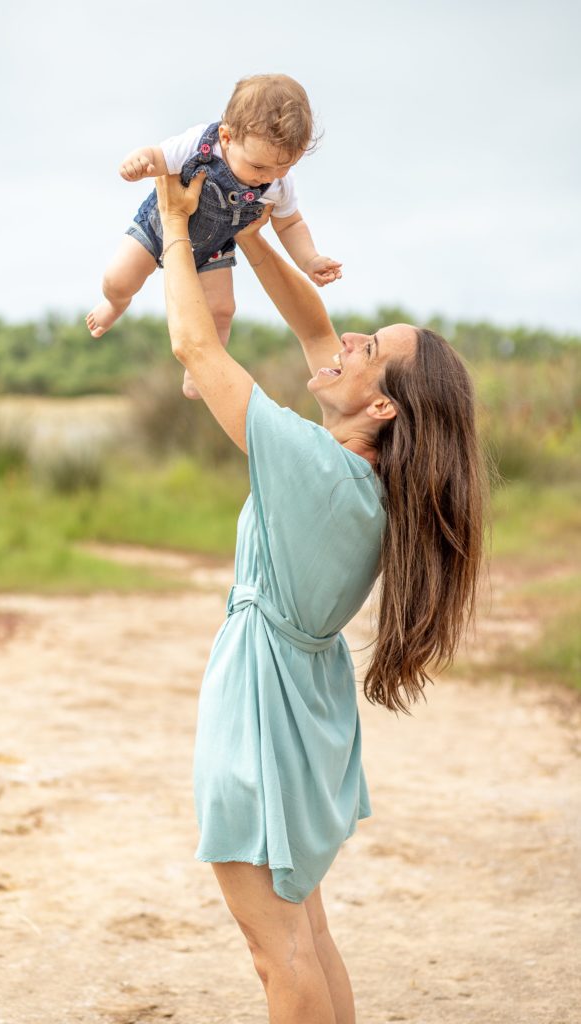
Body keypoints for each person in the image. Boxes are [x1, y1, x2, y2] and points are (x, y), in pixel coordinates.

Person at [154, 172, 485, 1024]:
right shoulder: (369, 483)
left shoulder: (312, 465)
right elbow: (310, 324)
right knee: (306, 933)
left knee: (278, 950)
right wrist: (255, 235)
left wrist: (177, 230)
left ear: (378, 402)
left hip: (263, 708)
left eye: (365, 347)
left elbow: (196, 348)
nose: (342, 343)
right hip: (304, 707)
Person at [85, 73, 342, 399]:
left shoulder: (277, 182)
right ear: (227, 137)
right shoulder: (199, 144)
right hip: (159, 225)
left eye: (285, 167)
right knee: (118, 279)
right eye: (260, 167)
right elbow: (159, 157)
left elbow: (290, 224)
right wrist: (140, 162)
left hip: (215, 247)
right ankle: (114, 304)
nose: (270, 177)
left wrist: (310, 260)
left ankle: (201, 372)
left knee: (222, 311)